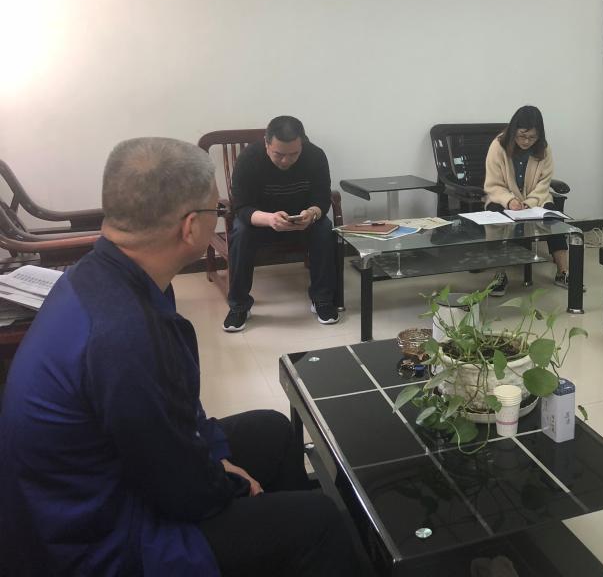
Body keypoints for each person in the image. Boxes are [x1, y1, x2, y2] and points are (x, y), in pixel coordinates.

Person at [0, 138, 356, 576]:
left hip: (119, 474)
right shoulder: (123, 333)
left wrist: (217, 456)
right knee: (319, 521)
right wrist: (229, 483)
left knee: (275, 430)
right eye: (216, 210)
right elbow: (180, 489)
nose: (220, 217)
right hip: (101, 537)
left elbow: (176, 415)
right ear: (190, 227)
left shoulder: (108, 274)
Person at [225, 115, 337, 331]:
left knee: (324, 228)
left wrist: (312, 214)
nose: (286, 161)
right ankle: (239, 305)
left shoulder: (315, 156)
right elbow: (241, 207)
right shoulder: (249, 158)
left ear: (302, 143)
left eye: (294, 154)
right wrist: (269, 219)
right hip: (261, 223)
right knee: (240, 232)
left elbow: (322, 199)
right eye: (279, 154)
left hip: (301, 221)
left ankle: (322, 299)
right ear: (266, 144)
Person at [483, 105, 569, 295]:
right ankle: (499, 275)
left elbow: (544, 183)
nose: (526, 141)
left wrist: (529, 203)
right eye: (522, 136)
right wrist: (509, 201)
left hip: (536, 200)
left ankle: (563, 271)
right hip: (503, 199)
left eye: (532, 137)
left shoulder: (544, 149)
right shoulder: (498, 146)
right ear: (513, 131)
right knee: (495, 218)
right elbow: (493, 184)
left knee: (553, 219)